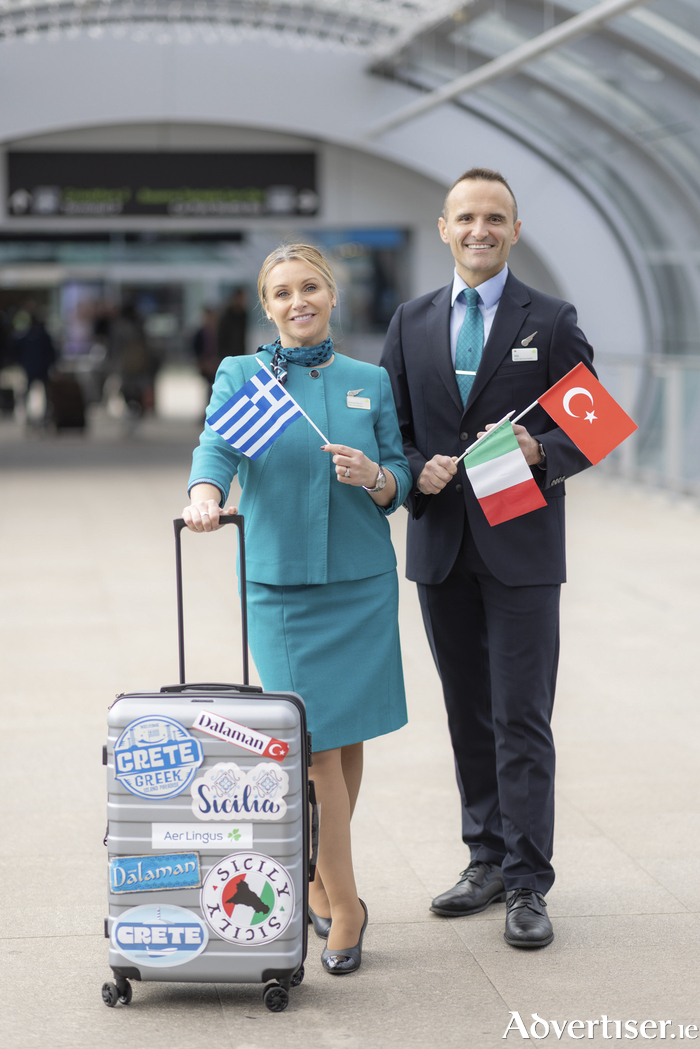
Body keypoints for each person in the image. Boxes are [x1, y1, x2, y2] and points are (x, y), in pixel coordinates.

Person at [380, 168, 595, 949]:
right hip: (443, 544)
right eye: (466, 216)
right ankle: (486, 858)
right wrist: (413, 469)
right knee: (468, 712)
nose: (480, 229)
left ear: (513, 227)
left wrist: (545, 447)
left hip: (523, 546)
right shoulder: (411, 320)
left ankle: (530, 881)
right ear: (444, 227)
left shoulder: (553, 318)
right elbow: (393, 431)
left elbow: (594, 424)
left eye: (495, 217)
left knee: (521, 716)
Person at [183, 243, 412, 974]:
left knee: (343, 742)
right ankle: (347, 900)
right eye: (281, 292)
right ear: (267, 304)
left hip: (360, 581)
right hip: (280, 586)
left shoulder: (367, 379)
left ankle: (318, 874)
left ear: (332, 294)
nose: (297, 300)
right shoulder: (245, 376)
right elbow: (217, 447)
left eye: (309, 286)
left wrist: (377, 476)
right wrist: (205, 494)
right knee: (308, 748)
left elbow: (401, 476)